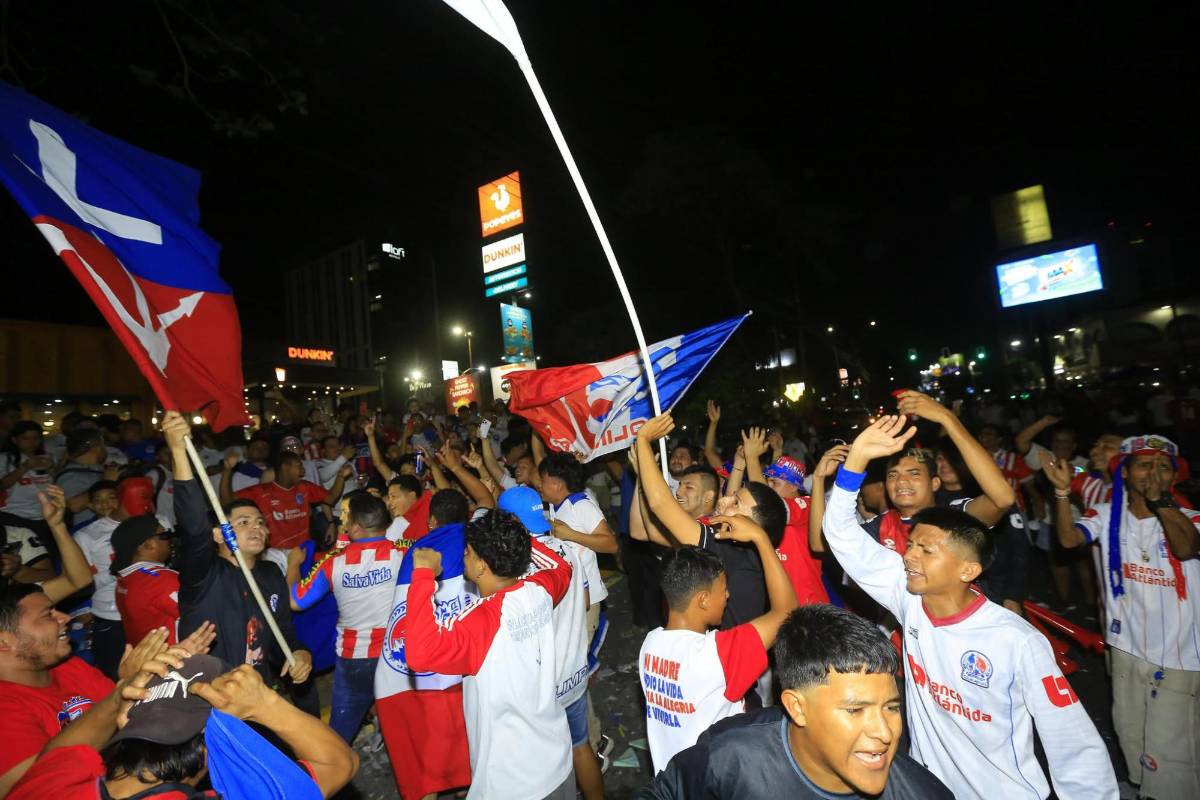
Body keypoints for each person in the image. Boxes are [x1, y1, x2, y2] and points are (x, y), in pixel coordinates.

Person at [823, 415, 1117, 800]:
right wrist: (857, 459)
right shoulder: (907, 597)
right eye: (911, 546)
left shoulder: (1016, 640)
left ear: (968, 570)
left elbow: (1073, 743)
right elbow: (842, 535)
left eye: (926, 550)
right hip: (929, 788)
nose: (909, 557)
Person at [638, 605, 953, 799]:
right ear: (797, 707)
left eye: (892, 707)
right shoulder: (731, 753)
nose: (885, 733)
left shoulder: (923, 793)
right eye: (856, 710)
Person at [1045, 434, 1200, 798]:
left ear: (1174, 478)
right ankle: (1144, 788)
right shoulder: (1106, 515)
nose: (1154, 473)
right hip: (1125, 645)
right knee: (1130, 730)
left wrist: (1160, 502)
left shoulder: (1191, 519)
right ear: (1125, 474)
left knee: (1169, 745)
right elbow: (1068, 540)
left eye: (1164, 467)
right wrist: (1062, 494)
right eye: (1144, 465)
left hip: (1178, 655)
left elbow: (1185, 547)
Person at [9, 654, 357, 799]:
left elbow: (54, 755)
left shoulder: (58, 779)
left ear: (126, 721)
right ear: (209, 742)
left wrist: (117, 696)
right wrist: (265, 704)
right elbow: (339, 764)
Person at [406, 508, 575, 800]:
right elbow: (562, 567)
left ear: (482, 566)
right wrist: (517, 537)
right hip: (558, 763)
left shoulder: (480, 621)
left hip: (512, 785)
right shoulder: (540, 589)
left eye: (468, 553)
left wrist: (422, 574)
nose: (464, 557)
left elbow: (419, 653)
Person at [639, 511, 798, 772]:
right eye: (723, 589)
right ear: (703, 599)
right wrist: (760, 538)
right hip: (716, 779)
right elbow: (787, 611)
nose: (728, 596)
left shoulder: (650, 645)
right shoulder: (717, 655)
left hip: (670, 778)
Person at [165, 412, 314, 689]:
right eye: (243, 522)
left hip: (258, 692)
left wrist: (300, 653)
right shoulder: (204, 574)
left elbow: (282, 632)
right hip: (209, 693)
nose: (256, 527)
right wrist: (178, 451)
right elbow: (193, 524)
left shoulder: (271, 573)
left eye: (260, 523)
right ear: (218, 534)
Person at [809, 391, 1015, 557]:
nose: (901, 480)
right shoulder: (881, 527)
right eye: (893, 475)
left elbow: (1002, 499)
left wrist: (948, 419)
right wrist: (819, 479)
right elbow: (819, 544)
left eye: (914, 473)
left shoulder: (954, 516)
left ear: (935, 483)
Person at [635, 414, 788, 629]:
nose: (723, 499)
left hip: (730, 650)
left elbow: (661, 504)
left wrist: (643, 440)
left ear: (755, 524)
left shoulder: (731, 552)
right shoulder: (744, 550)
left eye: (736, 502)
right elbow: (654, 530)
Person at [499, 485, 603, 799]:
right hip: (573, 673)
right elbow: (585, 601)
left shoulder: (517, 565)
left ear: (511, 521)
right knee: (580, 748)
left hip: (541, 684)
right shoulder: (567, 549)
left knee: (542, 765)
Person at [374, 489, 474, 800]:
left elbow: (404, 613)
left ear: (431, 521)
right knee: (469, 751)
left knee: (426, 765)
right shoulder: (478, 541)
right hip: (462, 668)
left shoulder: (418, 552)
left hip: (421, 673)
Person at [289, 492, 407, 744]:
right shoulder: (404, 551)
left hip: (355, 659)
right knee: (405, 721)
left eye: (346, 519)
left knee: (340, 734)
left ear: (354, 527)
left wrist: (292, 565)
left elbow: (295, 601)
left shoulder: (334, 562)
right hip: (396, 653)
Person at [223, 450, 351, 551]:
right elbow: (227, 502)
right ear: (285, 467)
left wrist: (340, 477)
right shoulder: (261, 492)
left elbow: (331, 498)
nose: (303, 471)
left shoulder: (305, 487)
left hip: (303, 553)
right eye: (299, 466)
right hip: (276, 556)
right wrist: (227, 471)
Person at [112, 515, 179, 645]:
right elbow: (200, 614)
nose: (170, 541)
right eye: (164, 536)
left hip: (147, 653)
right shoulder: (160, 580)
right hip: (173, 654)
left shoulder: (126, 578)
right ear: (149, 544)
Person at [0, 421, 55, 534]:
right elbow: (2, 485)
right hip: (15, 514)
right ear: (14, 440)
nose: (32, 442)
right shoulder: (4, 459)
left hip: (44, 515)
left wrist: (52, 469)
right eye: (26, 438)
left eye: (36, 438)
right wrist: (25, 467)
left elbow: (54, 485)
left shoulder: (47, 457)